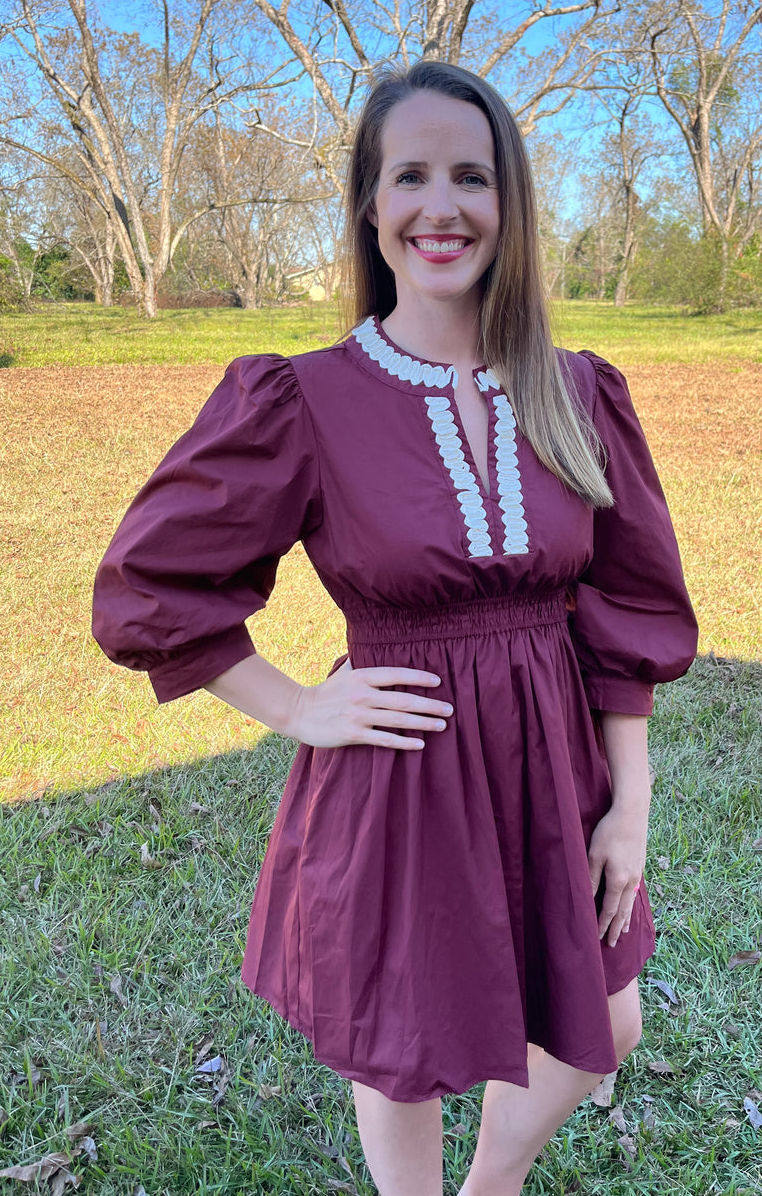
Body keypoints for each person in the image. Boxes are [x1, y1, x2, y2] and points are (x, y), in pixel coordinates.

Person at [92, 60, 698, 1196]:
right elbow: (155, 582)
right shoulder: (306, 398)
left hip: (554, 767)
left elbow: (628, 604)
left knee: (604, 1028)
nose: (441, 206)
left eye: (471, 176)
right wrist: (299, 706)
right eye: (408, 176)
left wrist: (633, 802)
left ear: (507, 203)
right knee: (403, 1054)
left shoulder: (575, 390)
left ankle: (493, 1180)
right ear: (370, 206)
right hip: (400, 772)